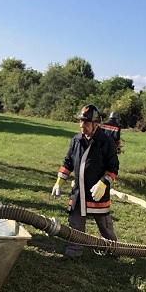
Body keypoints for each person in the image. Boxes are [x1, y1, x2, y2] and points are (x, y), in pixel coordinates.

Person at [51, 104, 119, 261]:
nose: (82, 125)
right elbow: (68, 162)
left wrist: (103, 183)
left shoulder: (106, 142)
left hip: (98, 194)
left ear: (96, 124)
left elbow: (113, 167)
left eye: (86, 122)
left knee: (105, 226)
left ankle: (114, 250)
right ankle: (73, 253)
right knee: (76, 225)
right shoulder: (76, 140)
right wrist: (59, 183)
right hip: (78, 192)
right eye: (80, 122)